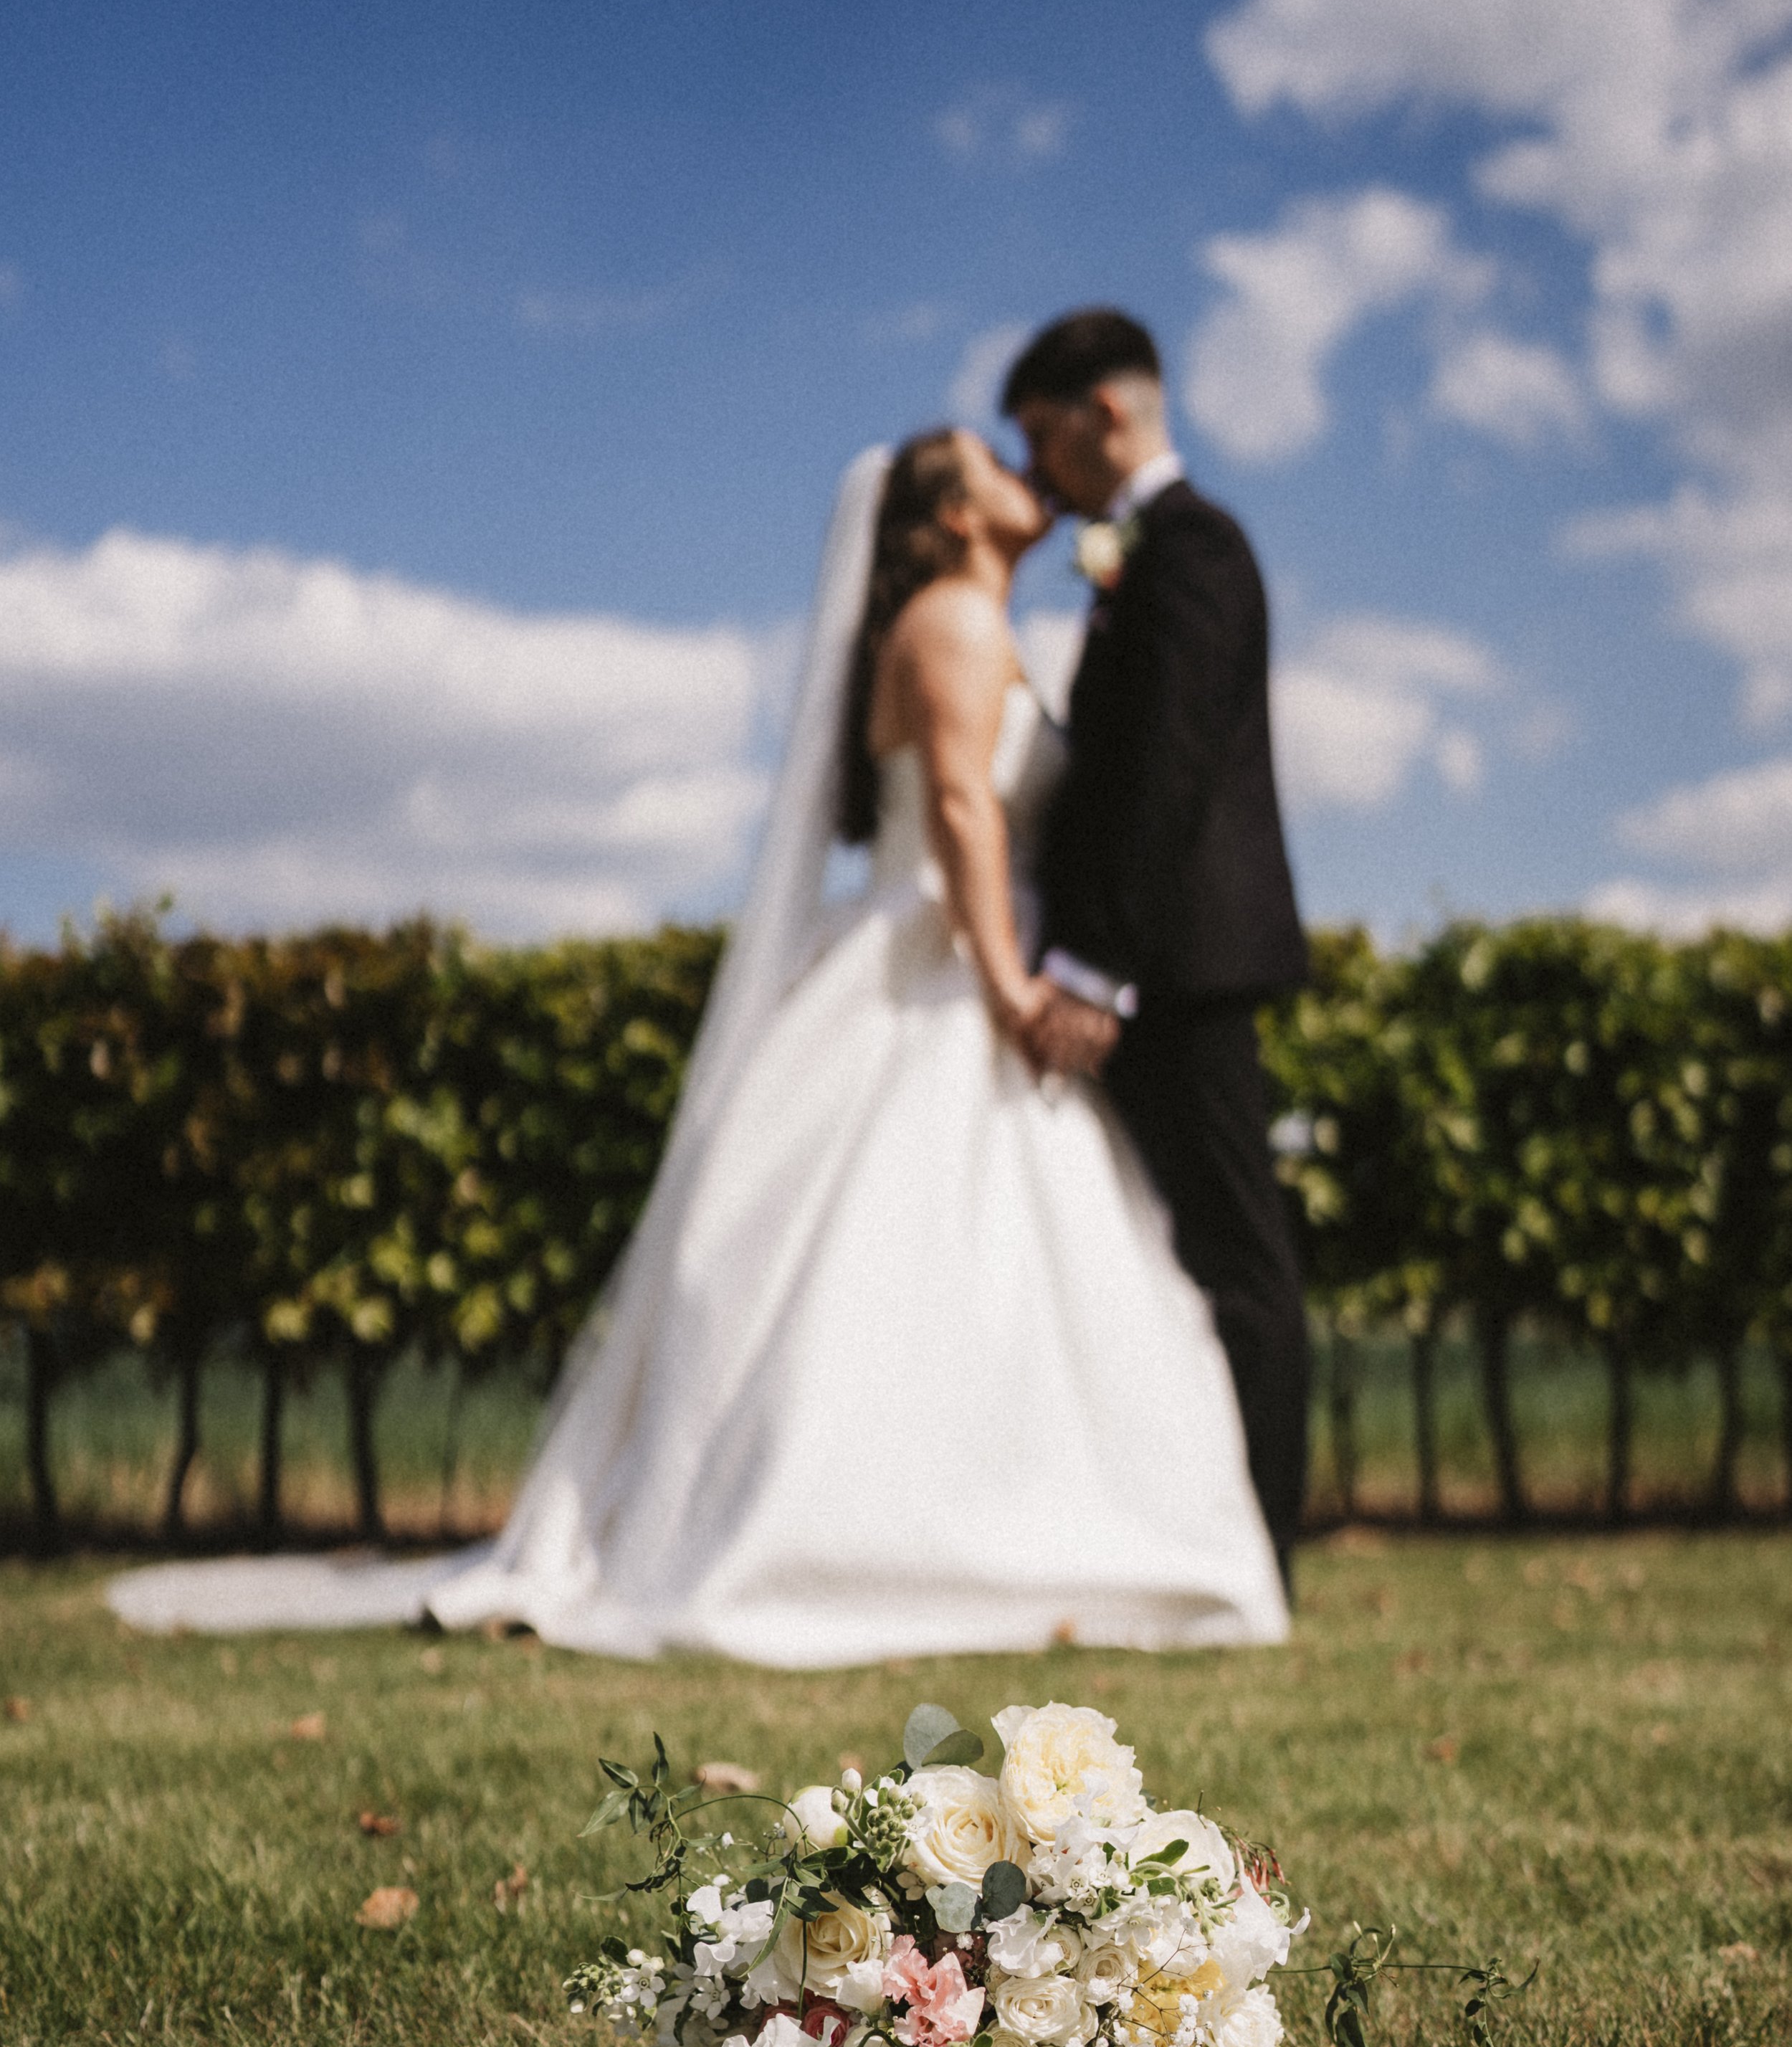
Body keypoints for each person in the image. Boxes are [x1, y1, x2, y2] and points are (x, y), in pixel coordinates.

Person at [110, 432, 1287, 1662]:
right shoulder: (951, 619)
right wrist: (1007, 987)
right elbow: (958, 810)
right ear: (946, 519)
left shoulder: (975, 619)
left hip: (959, 959)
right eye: (988, 464)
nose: (1018, 472)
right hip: (946, 967)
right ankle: (881, 1541)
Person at [1001, 310, 1310, 1597]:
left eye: (1042, 438)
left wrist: (1090, 967)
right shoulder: (1143, 558)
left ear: (1105, 414)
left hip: (1176, 977)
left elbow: (1163, 774)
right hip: (1147, 969)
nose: (1038, 472)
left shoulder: (1194, 548)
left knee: (1236, 1260)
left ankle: (1266, 1553)